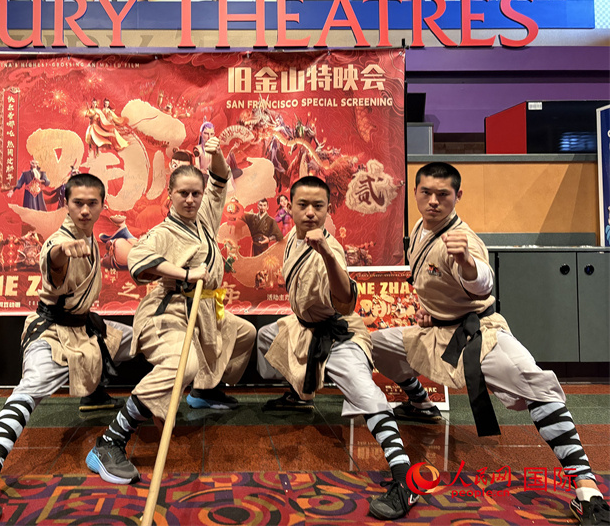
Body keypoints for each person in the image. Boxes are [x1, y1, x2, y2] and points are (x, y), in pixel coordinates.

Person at [370, 162, 610, 526]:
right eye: (426, 193)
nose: (433, 201)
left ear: (458, 196)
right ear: (415, 193)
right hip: (437, 332)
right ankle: (420, 404)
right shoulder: (419, 229)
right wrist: (429, 311)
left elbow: (482, 281)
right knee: (377, 344)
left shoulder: (464, 239)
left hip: (478, 336)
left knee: (537, 384)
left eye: (443, 195)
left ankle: (587, 490)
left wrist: (466, 260)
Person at [85, 135, 256, 485]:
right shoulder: (163, 232)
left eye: (196, 193)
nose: (191, 199)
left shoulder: (204, 218)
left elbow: (220, 178)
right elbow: (137, 259)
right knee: (183, 365)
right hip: (167, 311)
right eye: (183, 194)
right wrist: (186, 274)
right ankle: (110, 441)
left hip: (204, 309)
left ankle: (203, 391)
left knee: (244, 333)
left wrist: (217, 154)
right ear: (171, 196)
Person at [0, 174, 134, 525]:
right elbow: (54, 260)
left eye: (92, 203)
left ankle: (95, 396)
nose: (85, 210)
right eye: (78, 203)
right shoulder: (61, 241)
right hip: (52, 334)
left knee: (141, 338)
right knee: (27, 393)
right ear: (66, 205)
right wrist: (61, 252)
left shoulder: (92, 240)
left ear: (101, 205)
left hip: (84, 328)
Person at [256, 176, 417, 521]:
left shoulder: (330, 249)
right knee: (268, 337)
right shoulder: (293, 239)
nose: (310, 213)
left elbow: (344, 300)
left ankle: (404, 477)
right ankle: (300, 395)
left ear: (329, 209)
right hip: (305, 326)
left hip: (340, 334)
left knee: (364, 392)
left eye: (318, 206)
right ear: (290, 207)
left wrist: (327, 254)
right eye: (303, 205)